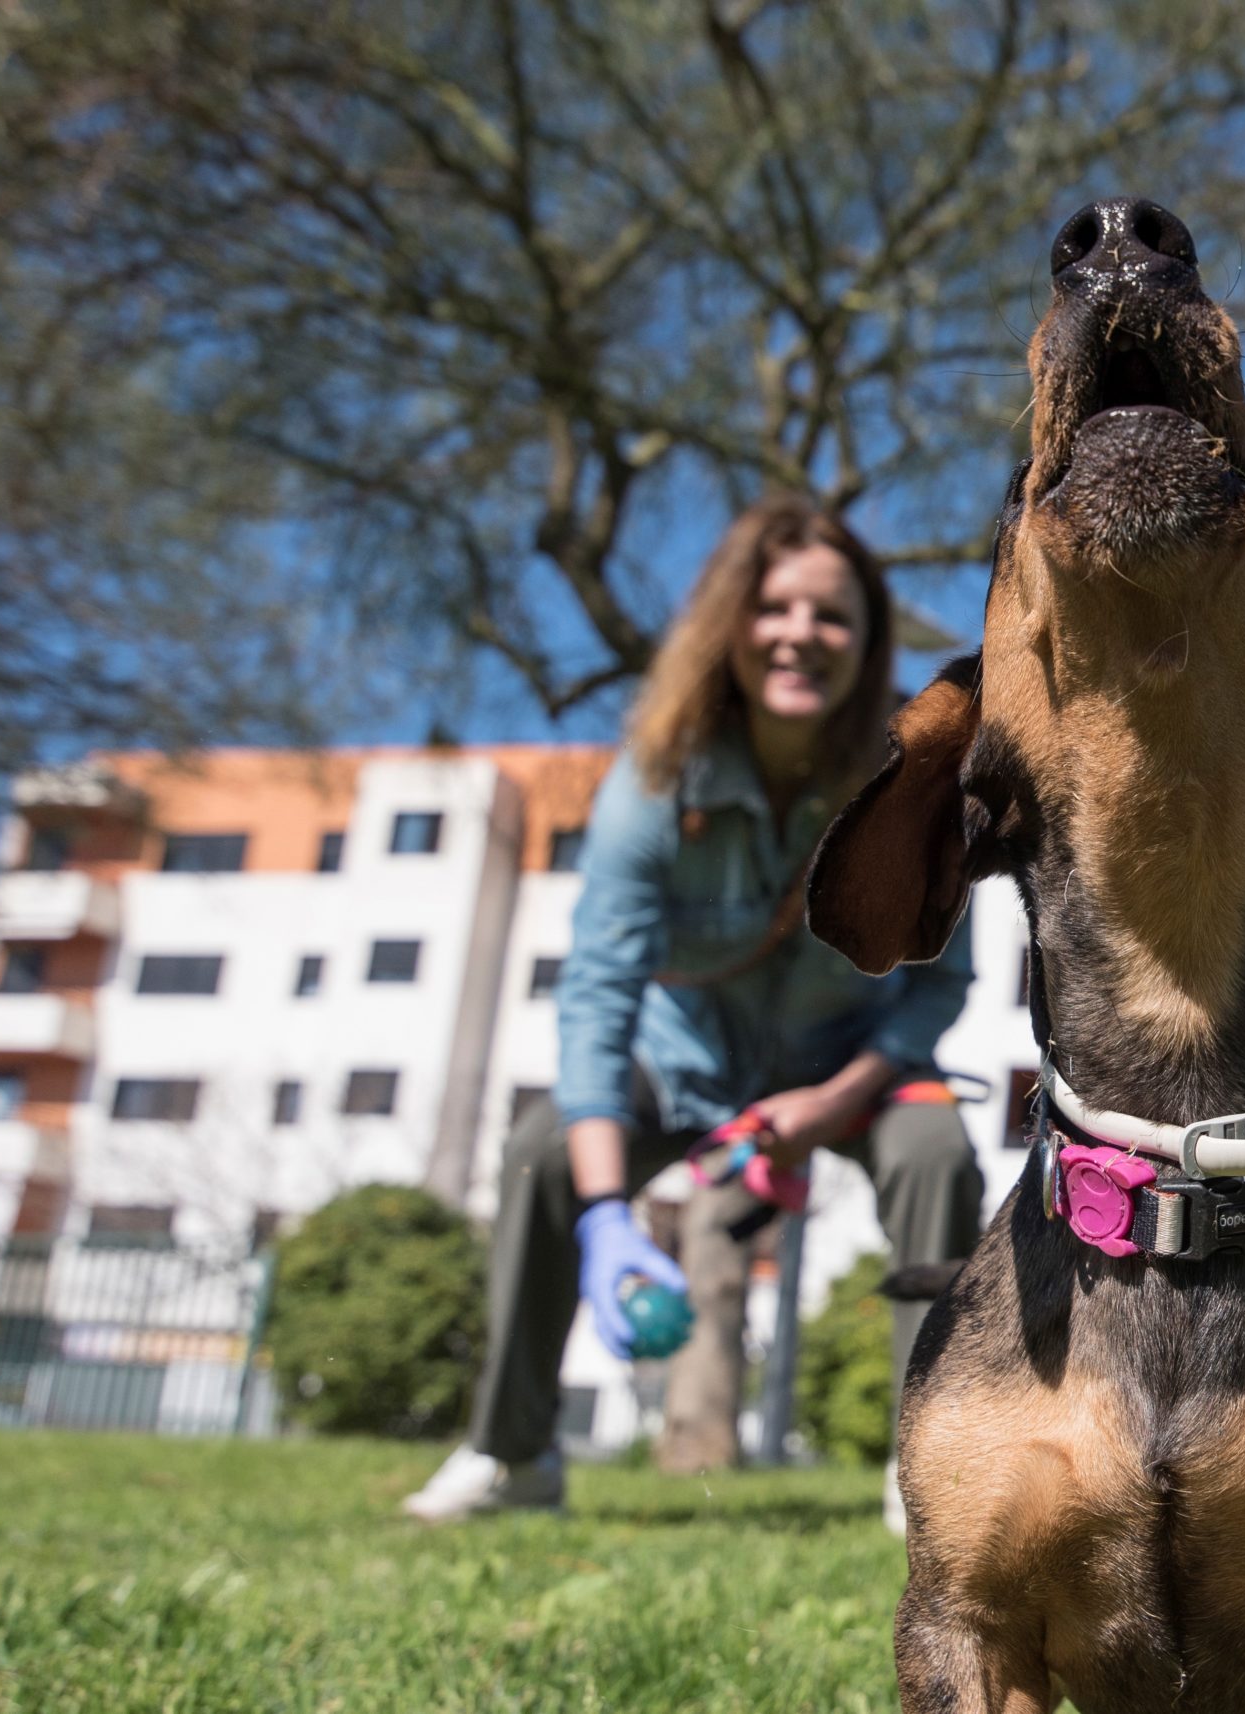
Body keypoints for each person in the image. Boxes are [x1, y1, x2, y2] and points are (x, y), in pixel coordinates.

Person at [403, 496, 983, 1524]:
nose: (801, 635)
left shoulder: (911, 781)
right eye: (774, 608)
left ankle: (924, 1472)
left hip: (847, 1067)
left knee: (935, 1150)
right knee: (542, 1148)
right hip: (680, 1067)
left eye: (833, 616)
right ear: (730, 622)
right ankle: (512, 1452)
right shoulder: (656, 777)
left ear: (868, 639)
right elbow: (598, 991)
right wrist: (603, 1220)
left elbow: (937, 982)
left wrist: (826, 1104)